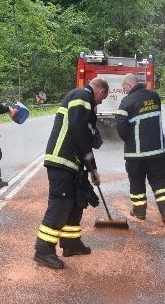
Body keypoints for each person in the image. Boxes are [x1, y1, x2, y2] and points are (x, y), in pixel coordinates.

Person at [33, 77, 109, 269]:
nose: (99, 103)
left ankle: (71, 244)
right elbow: (79, 132)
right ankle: (43, 251)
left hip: (72, 164)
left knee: (75, 203)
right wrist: (91, 166)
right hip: (62, 160)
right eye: (102, 99)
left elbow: (85, 137)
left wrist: (92, 169)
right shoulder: (82, 95)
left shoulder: (86, 103)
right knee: (60, 204)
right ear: (100, 91)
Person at [115, 73, 165, 223]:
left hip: (136, 155)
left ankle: (139, 212)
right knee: (159, 182)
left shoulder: (127, 102)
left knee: (136, 182)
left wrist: (129, 140)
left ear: (128, 85)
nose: (124, 91)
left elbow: (121, 128)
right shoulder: (155, 97)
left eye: (124, 88)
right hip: (157, 152)